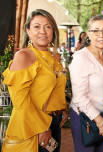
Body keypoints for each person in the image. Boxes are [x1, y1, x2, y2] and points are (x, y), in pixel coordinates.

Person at [2, 9, 68, 152]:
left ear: (53, 31)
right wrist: (41, 128)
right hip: (32, 127)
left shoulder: (55, 57)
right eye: (37, 26)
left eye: (48, 26)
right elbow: (20, 101)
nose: (42, 31)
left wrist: (61, 109)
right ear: (28, 30)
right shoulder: (24, 56)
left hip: (54, 123)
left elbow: (53, 87)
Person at [69, 15, 103, 152]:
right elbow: (80, 97)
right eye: (95, 31)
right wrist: (100, 121)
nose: (101, 35)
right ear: (88, 34)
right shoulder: (81, 58)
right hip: (85, 118)